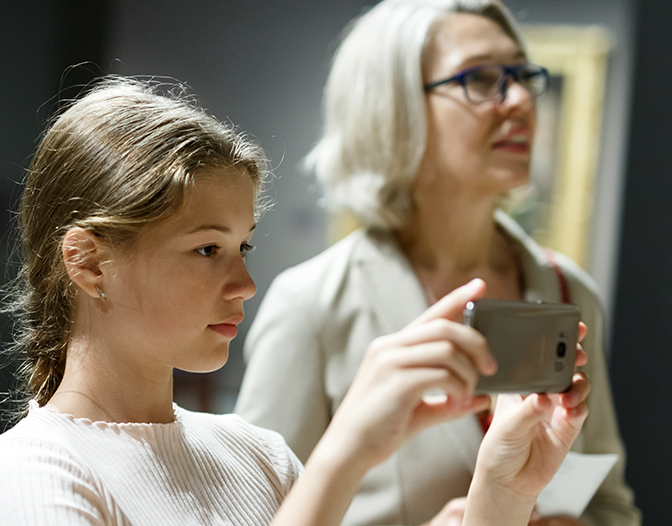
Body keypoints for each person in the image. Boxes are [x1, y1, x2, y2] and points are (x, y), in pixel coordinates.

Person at [0, 76, 593, 526]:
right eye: (208, 250)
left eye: (245, 247)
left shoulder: (258, 454)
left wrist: (501, 494)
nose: (245, 285)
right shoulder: (31, 472)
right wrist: (345, 452)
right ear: (87, 261)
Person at [234, 2, 641, 526]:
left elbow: (611, 506)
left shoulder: (568, 290)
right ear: (394, 107)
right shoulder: (312, 304)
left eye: (522, 75)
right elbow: (249, 515)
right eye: (483, 78)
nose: (519, 100)